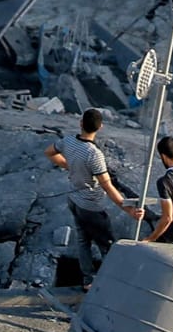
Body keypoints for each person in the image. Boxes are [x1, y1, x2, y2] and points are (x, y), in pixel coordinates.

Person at [46, 107, 147, 270]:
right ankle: (110, 280)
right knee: (107, 246)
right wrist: (128, 209)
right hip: (91, 207)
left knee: (83, 241)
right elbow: (107, 186)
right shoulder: (93, 154)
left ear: (81, 123)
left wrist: (69, 165)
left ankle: (88, 280)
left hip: (74, 200)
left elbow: (49, 152)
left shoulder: (68, 141)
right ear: (100, 127)